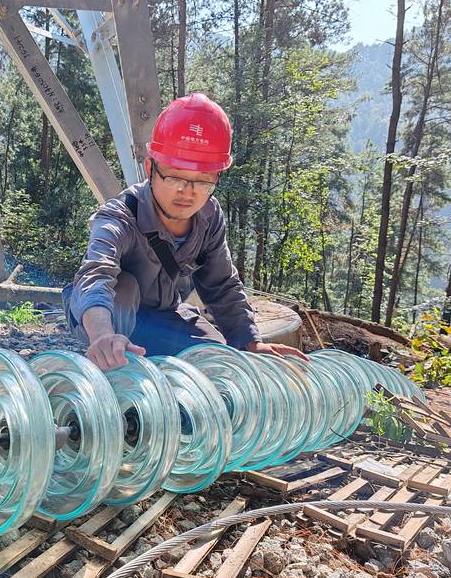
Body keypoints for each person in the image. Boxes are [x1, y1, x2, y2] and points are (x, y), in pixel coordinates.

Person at [63, 93, 307, 371]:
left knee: (218, 359)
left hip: (161, 313)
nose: (187, 192)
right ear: (149, 168)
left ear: (216, 178)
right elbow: (95, 276)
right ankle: (114, 371)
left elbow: (222, 284)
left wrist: (250, 341)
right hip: (105, 316)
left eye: (202, 181)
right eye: (174, 177)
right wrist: (102, 335)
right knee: (124, 288)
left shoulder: (209, 217)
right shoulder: (119, 217)